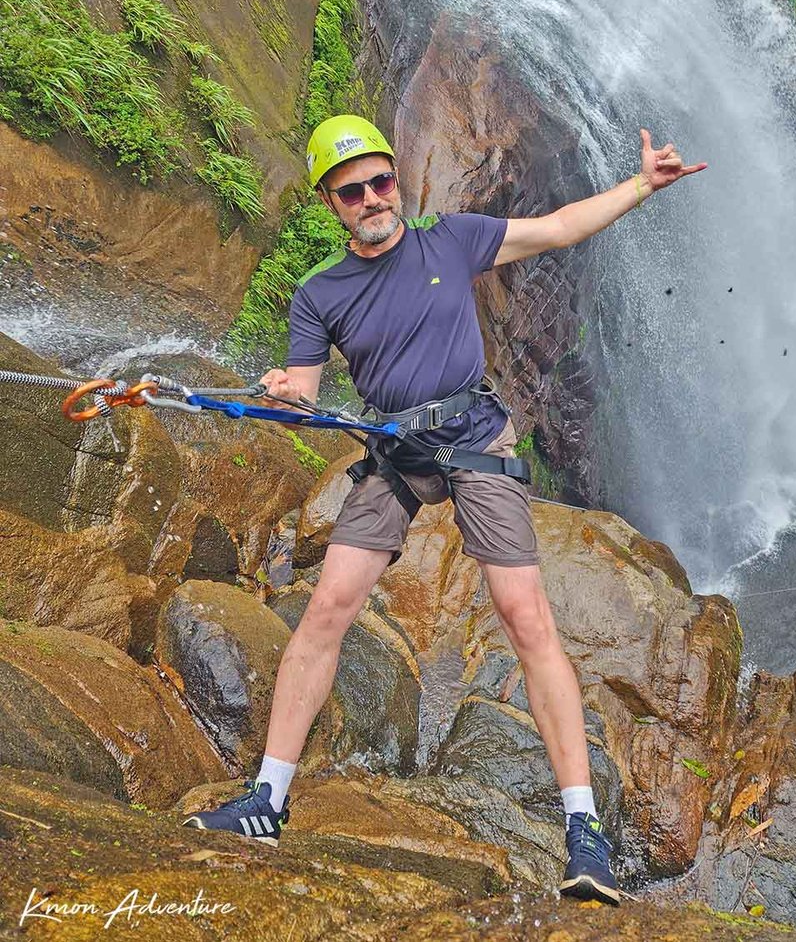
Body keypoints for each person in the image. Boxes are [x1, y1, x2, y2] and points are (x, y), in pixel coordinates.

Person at [182, 113, 706, 904]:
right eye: (352, 190)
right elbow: (304, 394)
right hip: (394, 453)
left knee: (524, 614)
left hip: (472, 443)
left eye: (380, 181)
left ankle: (583, 832)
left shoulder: (449, 240)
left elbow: (560, 228)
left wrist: (641, 186)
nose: (371, 198)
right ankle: (268, 800)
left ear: (397, 180)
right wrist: (282, 394)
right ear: (331, 202)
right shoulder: (320, 293)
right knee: (325, 609)